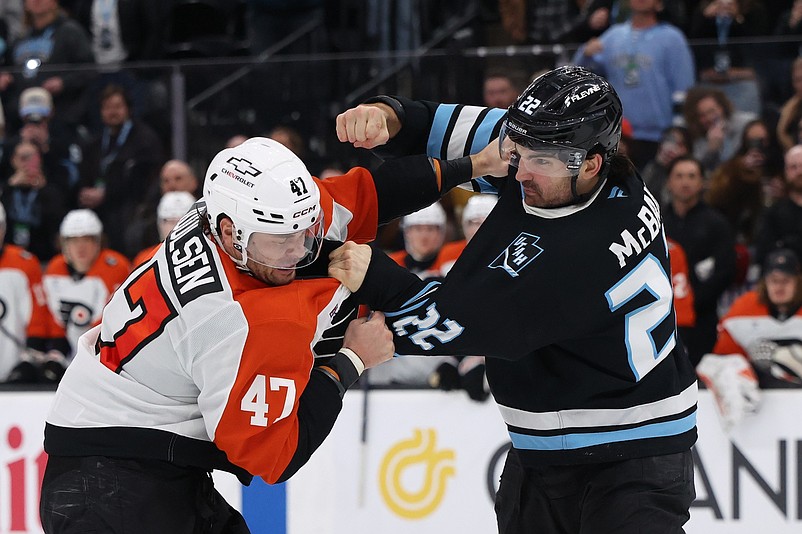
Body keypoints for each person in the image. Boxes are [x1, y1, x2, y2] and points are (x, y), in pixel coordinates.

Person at [39, 135, 500, 532]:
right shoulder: (241, 322)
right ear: (229, 231)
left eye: (304, 232)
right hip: (106, 484)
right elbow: (272, 458)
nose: (297, 251)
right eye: (279, 240)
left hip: (135, 458)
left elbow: (368, 194)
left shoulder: (230, 215)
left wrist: (475, 164)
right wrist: (351, 361)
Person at [332, 65, 697, 533]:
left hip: (636, 457)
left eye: (538, 161)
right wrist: (389, 117)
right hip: (546, 448)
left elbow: (461, 319)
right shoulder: (556, 149)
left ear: (591, 163)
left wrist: (376, 277)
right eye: (516, 150)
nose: (516, 169)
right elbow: (444, 125)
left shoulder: (582, 251)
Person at [572, 0, 695, 170]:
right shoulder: (613, 35)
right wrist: (584, 53)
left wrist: (678, 130)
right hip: (619, 135)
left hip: (658, 135)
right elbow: (583, 73)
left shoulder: (672, 38)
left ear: (659, 4)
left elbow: (684, 89)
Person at [697, 248, 802, 433]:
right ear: (764, 282)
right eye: (773, 281)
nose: (779, 287)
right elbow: (722, 358)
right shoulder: (744, 309)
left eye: (786, 281)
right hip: (758, 408)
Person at [663, 155, 737, 366]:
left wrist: (691, 301)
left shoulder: (717, 223)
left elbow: (726, 270)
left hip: (702, 319)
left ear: (702, 182)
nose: (685, 182)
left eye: (691, 176)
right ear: (669, 181)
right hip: (661, 316)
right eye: (679, 176)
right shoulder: (655, 220)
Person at [77, 83, 164, 257]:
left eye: (117, 107)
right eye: (107, 108)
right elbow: (86, 173)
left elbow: (144, 180)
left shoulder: (145, 139)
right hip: (100, 212)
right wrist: (83, 192)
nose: (112, 112)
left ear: (128, 109)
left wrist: (107, 193)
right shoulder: (95, 143)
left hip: (130, 212)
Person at [41, 209, 130, 364]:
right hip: (68, 354)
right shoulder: (54, 269)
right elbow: (53, 318)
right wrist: (57, 350)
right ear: (64, 244)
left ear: (98, 242)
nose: (80, 247)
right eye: (74, 240)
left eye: (86, 240)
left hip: (109, 352)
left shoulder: (116, 267)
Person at [0, 202, 58, 382]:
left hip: (14, 362)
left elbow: (37, 313)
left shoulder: (24, 263)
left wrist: (32, 354)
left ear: (3, 229)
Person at [0, 139, 68, 262]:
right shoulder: (6, 188)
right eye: (23, 158)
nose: (28, 163)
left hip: (42, 256)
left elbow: (56, 223)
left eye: (33, 158)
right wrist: (10, 186)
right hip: (8, 254)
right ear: (13, 160)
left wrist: (43, 190)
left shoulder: (51, 190)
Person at [753, 143, 802, 265]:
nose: (799, 171)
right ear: (785, 172)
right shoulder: (772, 214)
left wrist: (785, 244)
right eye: (793, 167)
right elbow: (763, 254)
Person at [132, 190, 196, 267]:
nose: (175, 227)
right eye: (169, 221)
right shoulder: (144, 259)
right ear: (159, 223)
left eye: (182, 221)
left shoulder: (210, 255)